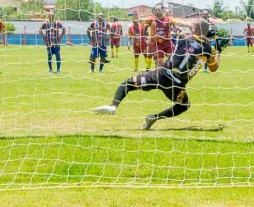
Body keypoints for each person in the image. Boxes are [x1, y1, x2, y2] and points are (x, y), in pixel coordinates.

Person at [94, 19, 227, 130]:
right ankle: (154, 118)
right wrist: (219, 52)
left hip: (162, 75)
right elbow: (214, 68)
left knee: (128, 83)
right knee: (183, 105)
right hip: (177, 85)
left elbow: (175, 24)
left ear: (194, 28)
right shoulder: (209, 50)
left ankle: (113, 106)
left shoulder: (183, 36)